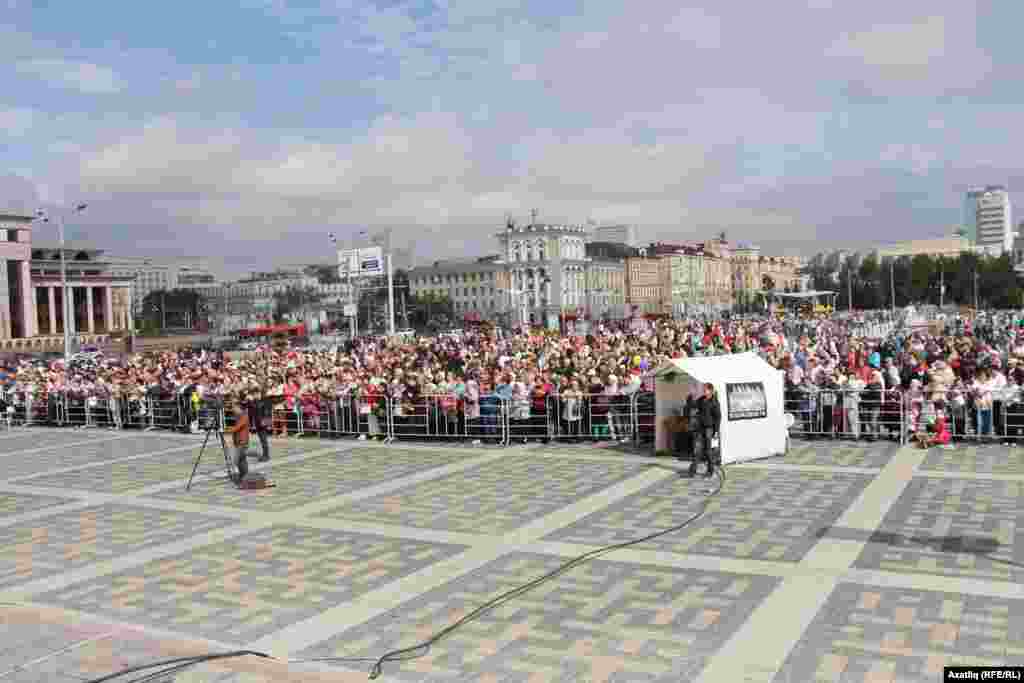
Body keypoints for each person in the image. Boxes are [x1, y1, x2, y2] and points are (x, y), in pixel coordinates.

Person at [692, 382, 721, 478]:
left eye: (705, 389)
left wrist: (716, 431)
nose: (703, 391)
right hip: (700, 428)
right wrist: (693, 398)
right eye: (703, 389)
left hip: (709, 428)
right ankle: (693, 470)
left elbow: (718, 417)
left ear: (710, 390)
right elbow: (694, 405)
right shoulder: (701, 399)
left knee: (708, 451)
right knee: (697, 448)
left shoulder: (714, 402)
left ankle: (710, 470)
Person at [224, 403, 251, 481]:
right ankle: (243, 476)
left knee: (237, 460)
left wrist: (226, 431)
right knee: (241, 460)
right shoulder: (239, 416)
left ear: (239, 408)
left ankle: (244, 476)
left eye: (235, 408)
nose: (233, 410)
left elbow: (237, 427)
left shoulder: (244, 416)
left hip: (242, 441)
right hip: (238, 441)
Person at [246, 396, 272, 462]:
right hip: (258, 422)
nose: (255, 395)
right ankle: (265, 454)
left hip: (262, 422)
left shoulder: (264, 401)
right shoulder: (255, 402)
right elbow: (251, 411)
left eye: (256, 393)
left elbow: (267, 412)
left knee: (263, 440)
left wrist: (267, 422)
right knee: (262, 439)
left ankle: (266, 455)